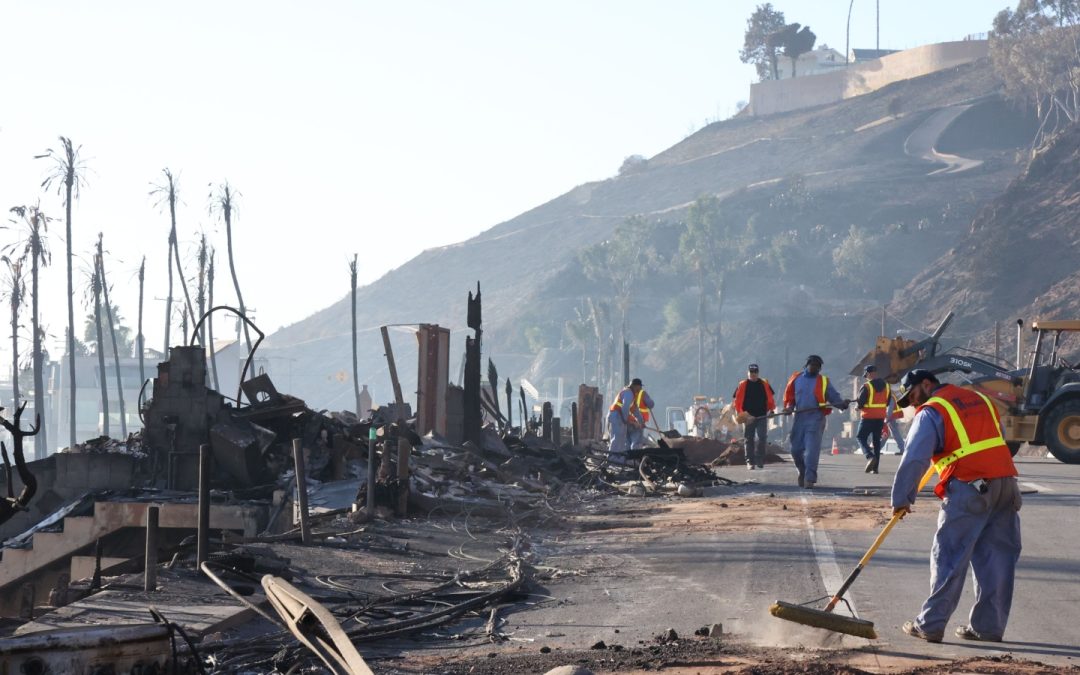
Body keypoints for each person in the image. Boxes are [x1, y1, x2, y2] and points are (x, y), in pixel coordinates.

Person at [890, 369, 1021, 644]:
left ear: (927, 384)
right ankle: (989, 627)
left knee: (949, 556)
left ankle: (930, 624)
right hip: (1006, 484)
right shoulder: (980, 399)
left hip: (970, 487)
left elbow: (914, 458)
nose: (912, 402)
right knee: (997, 558)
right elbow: (997, 440)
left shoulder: (932, 411)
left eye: (912, 395)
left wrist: (901, 498)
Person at [782, 354, 848, 488]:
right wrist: (789, 408)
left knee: (811, 450)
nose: (816, 368)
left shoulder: (823, 381)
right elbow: (790, 399)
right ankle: (802, 471)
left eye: (818, 366)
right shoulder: (796, 379)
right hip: (799, 419)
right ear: (807, 365)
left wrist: (842, 404)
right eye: (813, 365)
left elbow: (834, 397)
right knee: (795, 450)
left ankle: (810, 478)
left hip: (816, 419)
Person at [733, 363, 776, 470]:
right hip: (748, 416)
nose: (753, 374)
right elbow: (737, 401)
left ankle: (760, 459)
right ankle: (750, 461)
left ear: (758, 373)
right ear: (748, 373)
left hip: (762, 415)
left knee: (762, 437)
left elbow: (770, 398)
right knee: (749, 438)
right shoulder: (742, 384)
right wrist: (744, 415)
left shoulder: (764, 384)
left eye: (755, 372)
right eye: (751, 372)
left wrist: (771, 410)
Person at [855, 365, 892, 474]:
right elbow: (888, 402)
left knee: (860, 437)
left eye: (866, 375)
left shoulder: (866, 386)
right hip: (880, 417)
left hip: (867, 417)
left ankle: (870, 456)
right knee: (876, 441)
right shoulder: (887, 386)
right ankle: (875, 468)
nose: (866, 377)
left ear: (868, 373)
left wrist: (857, 407)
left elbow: (860, 403)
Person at [607, 378, 643, 463]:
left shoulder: (631, 395)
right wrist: (626, 420)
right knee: (617, 437)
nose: (640, 389)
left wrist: (641, 421)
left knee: (621, 438)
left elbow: (635, 410)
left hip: (618, 416)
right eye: (640, 387)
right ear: (635, 386)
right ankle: (613, 458)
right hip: (617, 415)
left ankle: (617, 457)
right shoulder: (628, 393)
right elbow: (625, 407)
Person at [628, 383, 655, 450]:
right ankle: (636, 455)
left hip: (629, 420)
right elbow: (651, 404)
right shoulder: (642, 393)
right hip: (639, 420)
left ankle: (629, 454)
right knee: (637, 440)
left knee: (630, 439)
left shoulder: (629, 393)